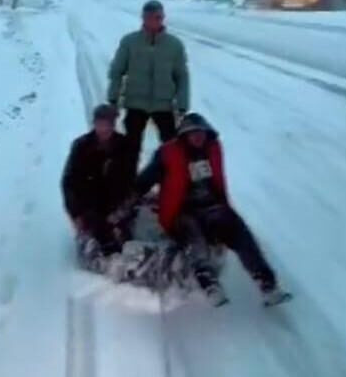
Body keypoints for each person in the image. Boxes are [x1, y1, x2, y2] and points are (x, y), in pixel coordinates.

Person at [119, 113, 291, 307]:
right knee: (193, 237)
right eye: (191, 133)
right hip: (180, 211)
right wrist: (126, 204)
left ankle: (266, 283)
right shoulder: (168, 154)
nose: (197, 137)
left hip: (211, 207)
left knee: (239, 231)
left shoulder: (212, 150)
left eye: (200, 132)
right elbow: (144, 181)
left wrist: (223, 205)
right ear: (183, 136)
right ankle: (209, 284)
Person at [107, 0, 190, 172]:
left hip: (164, 105)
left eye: (159, 17)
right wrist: (113, 98)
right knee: (131, 149)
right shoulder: (129, 42)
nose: (155, 20)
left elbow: (182, 76)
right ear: (143, 18)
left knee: (171, 149)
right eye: (151, 17)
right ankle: (128, 189)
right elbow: (117, 71)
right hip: (135, 104)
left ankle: (170, 186)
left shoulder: (174, 45)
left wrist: (182, 105)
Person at [61, 104, 134, 273]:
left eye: (108, 124)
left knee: (128, 236)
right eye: (100, 123)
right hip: (89, 205)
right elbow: (68, 182)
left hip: (115, 202)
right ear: (94, 124)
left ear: (113, 124)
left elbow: (130, 179)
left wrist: (125, 205)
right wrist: (75, 213)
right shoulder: (81, 146)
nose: (104, 128)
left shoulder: (124, 145)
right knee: (98, 241)